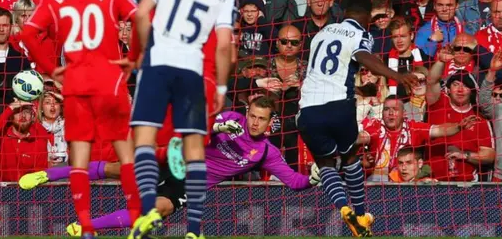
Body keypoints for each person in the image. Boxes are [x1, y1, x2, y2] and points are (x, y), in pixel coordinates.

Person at [20, 96, 319, 236]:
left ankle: (86, 227)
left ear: (269, 123)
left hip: (190, 184)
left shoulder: (265, 152)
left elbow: (293, 182)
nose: (254, 122)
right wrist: (217, 128)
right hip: (176, 159)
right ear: (247, 113)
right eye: (252, 115)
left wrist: (312, 178)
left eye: (261, 118)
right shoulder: (232, 120)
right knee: (114, 169)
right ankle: (46, 174)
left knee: (155, 211)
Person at [18, 0, 141, 239]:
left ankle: (86, 227)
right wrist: (133, 58)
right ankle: (138, 220)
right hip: (110, 81)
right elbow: (142, 19)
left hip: (76, 83)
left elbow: (29, 34)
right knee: (126, 155)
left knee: (80, 159)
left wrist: (51, 70)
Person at [127, 0, 236, 239]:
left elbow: (141, 14)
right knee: (195, 152)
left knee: (144, 142)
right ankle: (193, 230)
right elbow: (225, 45)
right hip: (191, 70)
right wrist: (221, 88)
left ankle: (148, 210)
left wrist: (144, 53)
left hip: (158, 65)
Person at [297, 0, 417, 237]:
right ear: (366, 22)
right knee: (351, 156)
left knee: (325, 164)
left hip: (308, 109)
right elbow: (363, 56)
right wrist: (396, 75)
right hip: (338, 104)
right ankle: (361, 214)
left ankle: (343, 208)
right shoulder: (361, 33)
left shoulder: (320, 34)